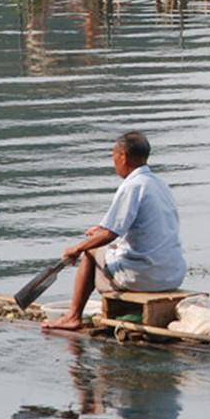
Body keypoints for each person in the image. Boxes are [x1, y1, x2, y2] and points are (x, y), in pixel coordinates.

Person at [41, 132, 186, 332]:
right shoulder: (159, 184)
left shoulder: (132, 186)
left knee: (90, 252)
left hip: (144, 276)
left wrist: (76, 249)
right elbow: (121, 226)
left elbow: (110, 235)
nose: (114, 163)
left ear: (123, 156)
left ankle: (73, 316)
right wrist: (99, 232)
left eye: (114, 157)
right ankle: (75, 314)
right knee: (98, 243)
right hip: (172, 274)